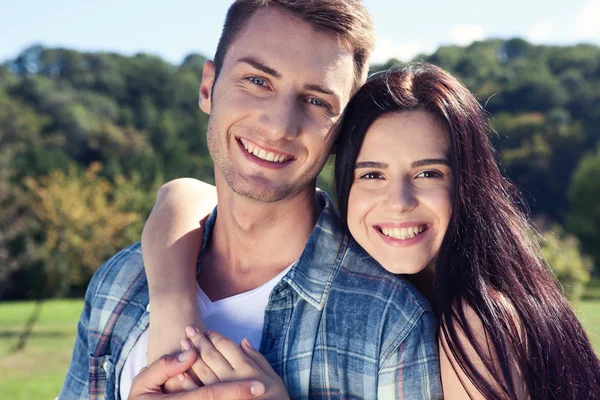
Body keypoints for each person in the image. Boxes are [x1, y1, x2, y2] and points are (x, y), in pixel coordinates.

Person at [137, 63, 600, 399]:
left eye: (428, 174)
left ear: (468, 182)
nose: (397, 202)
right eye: (372, 175)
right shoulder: (395, 285)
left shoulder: (475, 326)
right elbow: (183, 195)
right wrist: (173, 310)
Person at [58, 1, 442, 399]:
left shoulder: (389, 322)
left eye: (316, 101)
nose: (279, 127)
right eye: (258, 81)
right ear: (208, 87)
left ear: (341, 130)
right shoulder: (120, 282)